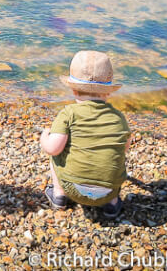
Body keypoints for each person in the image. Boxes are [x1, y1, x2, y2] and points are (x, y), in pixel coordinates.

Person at [40, 50, 130, 218]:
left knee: (57, 155)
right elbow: (124, 148)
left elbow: (53, 149)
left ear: (74, 90)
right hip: (108, 191)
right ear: (108, 91)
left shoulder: (68, 113)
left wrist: (44, 136)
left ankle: (59, 196)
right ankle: (111, 205)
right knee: (115, 158)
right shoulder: (118, 117)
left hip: (72, 189)